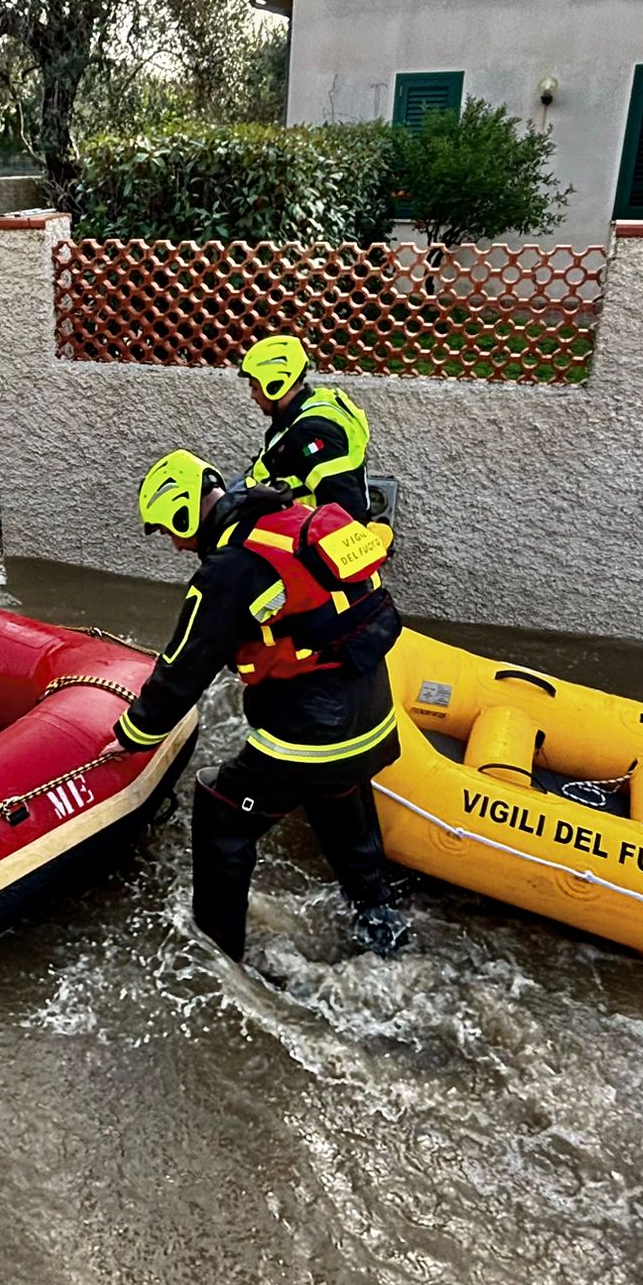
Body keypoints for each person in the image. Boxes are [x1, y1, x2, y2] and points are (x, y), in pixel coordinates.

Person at [112, 449, 413, 961]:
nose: (175, 545)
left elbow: (183, 669)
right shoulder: (291, 521)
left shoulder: (228, 573)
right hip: (374, 718)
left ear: (186, 513)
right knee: (338, 790)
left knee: (220, 811)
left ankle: (216, 953)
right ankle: (378, 915)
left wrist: (130, 735)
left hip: (312, 734)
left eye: (169, 531)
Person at [237, 333, 374, 522]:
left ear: (275, 386)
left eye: (255, 387)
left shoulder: (309, 432)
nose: (252, 395)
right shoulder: (312, 406)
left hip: (305, 543)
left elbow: (345, 508)